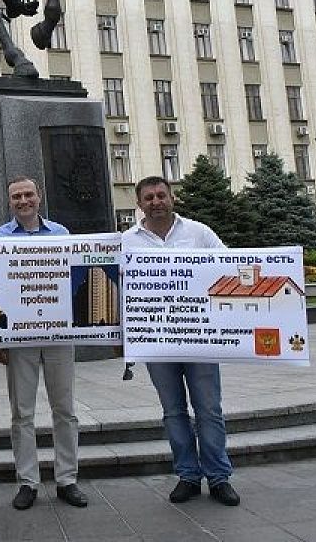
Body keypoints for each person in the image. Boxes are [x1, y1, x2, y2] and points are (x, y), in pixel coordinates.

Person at [121, 176, 240, 507]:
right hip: (156, 342)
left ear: (172, 197)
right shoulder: (126, 241)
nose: (156, 201)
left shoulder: (199, 233)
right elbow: (117, 288)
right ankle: (187, 475)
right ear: (140, 203)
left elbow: (230, 267)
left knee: (208, 409)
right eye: (149, 197)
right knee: (173, 411)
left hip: (199, 337)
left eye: (161, 195)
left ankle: (219, 477)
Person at [0, 176, 88, 511]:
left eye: (28, 194)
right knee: (22, 413)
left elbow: (77, 278)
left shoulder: (61, 234)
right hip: (20, 341)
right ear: (10, 202)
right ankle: (28, 482)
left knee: (65, 410)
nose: (23, 201)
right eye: (16, 196)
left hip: (59, 336)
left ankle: (67, 480)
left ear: (39, 196)